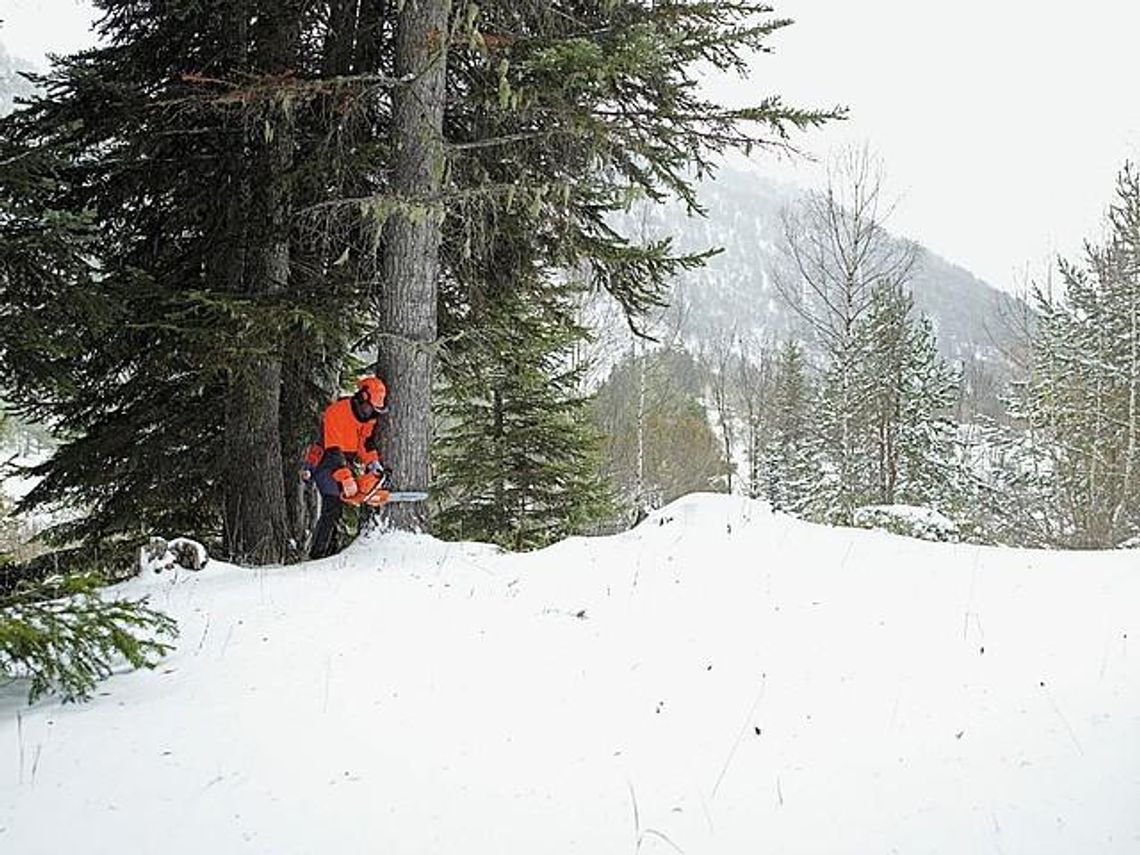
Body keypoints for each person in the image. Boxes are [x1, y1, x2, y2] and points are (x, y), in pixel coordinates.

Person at [308, 375, 388, 559]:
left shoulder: (369, 418)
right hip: (326, 461)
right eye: (371, 409)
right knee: (332, 504)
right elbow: (333, 449)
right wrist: (346, 478)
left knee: (344, 502)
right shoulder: (336, 412)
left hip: (345, 461)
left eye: (376, 411)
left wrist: (373, 463)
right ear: (362, 397)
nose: (372, 414)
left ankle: (331, 551)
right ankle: (317, 555)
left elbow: (365, 443)